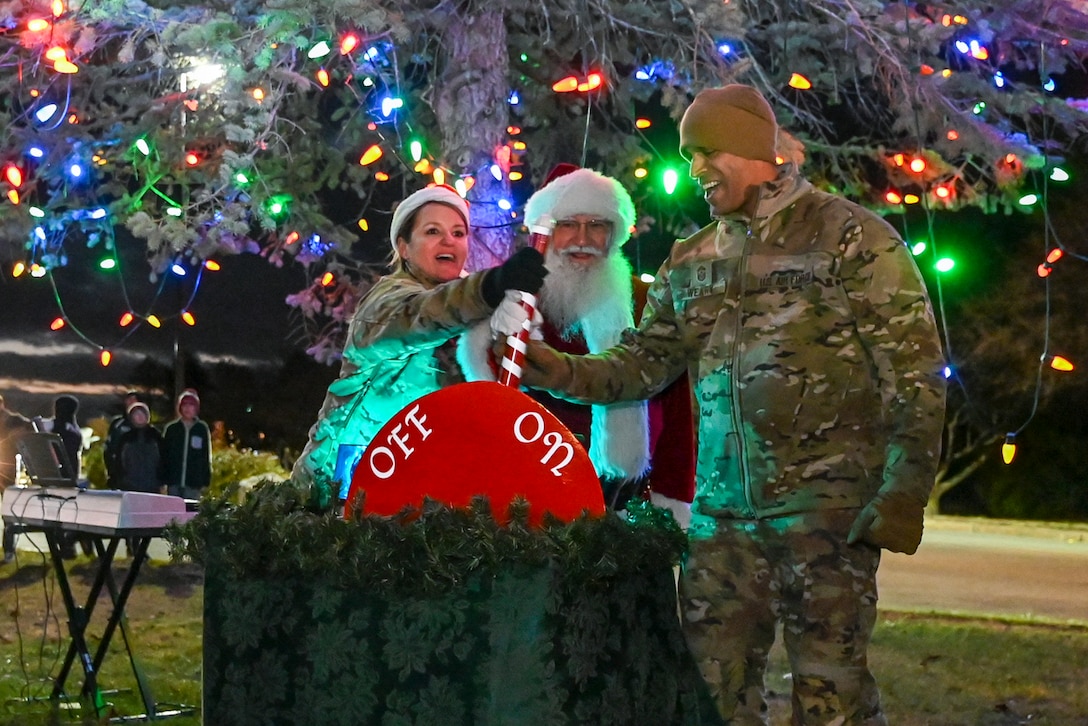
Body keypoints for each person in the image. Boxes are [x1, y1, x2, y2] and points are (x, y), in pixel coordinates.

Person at [507, 85, 947, 724]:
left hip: (825, 518)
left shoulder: (851, 237)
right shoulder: (691, 260)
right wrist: (553, 367)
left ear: (750, 149)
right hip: (721, 527)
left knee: (832, 699)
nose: (695, 171)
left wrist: (903, 494)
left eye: (706, 152)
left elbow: (914, 371)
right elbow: (639, 366)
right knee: (709, 698)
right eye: (689, 157)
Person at [290, 184, 549, 509]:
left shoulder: (477, 314)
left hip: (424, 489)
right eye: (432, 231)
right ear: (404, 247)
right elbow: (422, 314)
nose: (448, 241)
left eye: (458, 233)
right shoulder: (386, 300)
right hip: (344, 487)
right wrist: (491, 286)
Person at [459, 165, 695, 518]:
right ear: (547, 232)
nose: (582, 238)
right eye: (568, 224)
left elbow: (676, 412)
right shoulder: (514, 306)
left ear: (613, 234)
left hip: (629, 505)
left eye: (597, 225)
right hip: (531, 500)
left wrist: (673, 499)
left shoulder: (647, 301)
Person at [33, 395, 88, 558]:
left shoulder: (57, 426)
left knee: (57, 514)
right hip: (69, 474)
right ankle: (68, 545)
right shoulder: (74, 428)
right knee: (66, 512)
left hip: (57, 474)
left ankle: (67, 545)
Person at [162, 389, 213, 501]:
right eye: (184, 405)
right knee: (173, 512)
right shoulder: (172, 429)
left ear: (196, 408)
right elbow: (164, 455)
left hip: (193, 482)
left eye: (191, 405)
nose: (187, 408)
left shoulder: (201, 429)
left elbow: (205, 455)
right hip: (174, 480)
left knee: (190, 513)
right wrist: (163, 478)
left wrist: (205, 480)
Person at [1, 394, 34, 563]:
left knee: (8, 512)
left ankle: (8, 550)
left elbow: (29, 429)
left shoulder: (13, 420)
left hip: (6, 470)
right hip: (6, 469)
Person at [104, 390, 140, 489]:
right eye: (128, 400)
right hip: (118, 474)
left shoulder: (144, 426)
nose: (131, 403)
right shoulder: (117, 423)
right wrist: (111, 470)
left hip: (138, 476)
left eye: (133, 400)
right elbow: (108, 448)